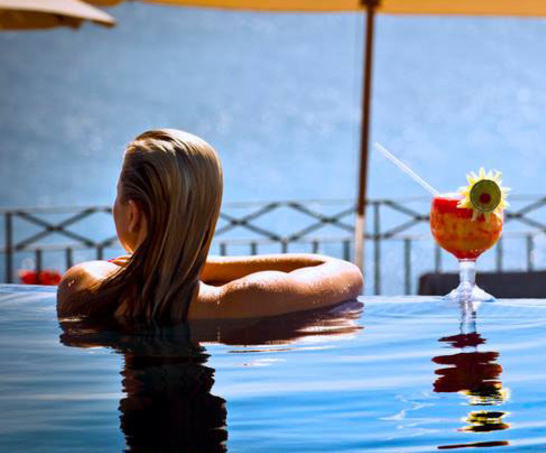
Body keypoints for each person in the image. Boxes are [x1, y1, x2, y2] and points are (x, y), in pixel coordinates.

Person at [57, 129, 363, 323]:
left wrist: (161, 261)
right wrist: (193, 262)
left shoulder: (84, 286)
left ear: (133, 213)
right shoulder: (245, 301)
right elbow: (345, 272)